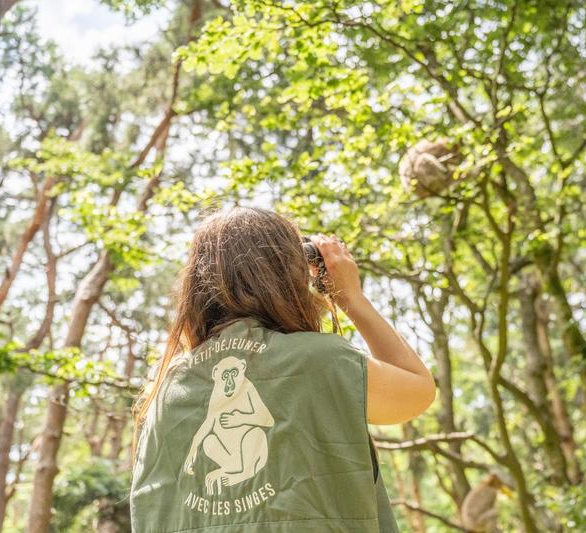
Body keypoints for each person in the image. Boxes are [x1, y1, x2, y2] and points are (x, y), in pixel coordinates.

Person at [129, 206, 436, 532]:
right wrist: (351, 298)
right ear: (291, 274)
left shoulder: (165, 387)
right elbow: (418, 391)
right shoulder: (323, 362)